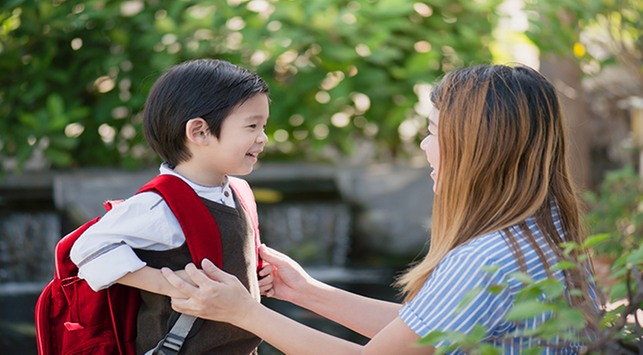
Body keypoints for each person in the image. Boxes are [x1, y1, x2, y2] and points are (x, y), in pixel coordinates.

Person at [161, 64, 599, 354]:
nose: (426, 147)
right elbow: (423, 331)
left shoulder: (484, 258)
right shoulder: (542, 232)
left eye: (432, 132)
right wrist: (305, 291)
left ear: (476, 147)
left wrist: (243, 312)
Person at [70, 58, 273, 355]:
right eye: (252, 126)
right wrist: (172, 285)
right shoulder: (162, 205)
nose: (263, 137)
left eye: (264, 125)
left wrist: (256, 276)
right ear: (200, 132)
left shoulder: (236, 191)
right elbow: (87, 249)